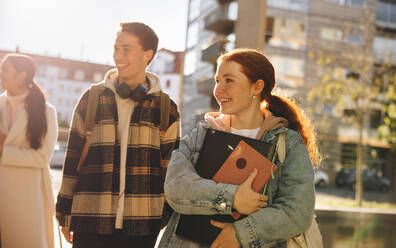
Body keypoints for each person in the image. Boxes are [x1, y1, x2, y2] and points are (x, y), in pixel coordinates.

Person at [159, 48, 321, 248]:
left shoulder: (288, 143)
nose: (218, 90)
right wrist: (232, 198)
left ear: (257, 87)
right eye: (217, 81)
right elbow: (176, 187)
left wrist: (240, 234)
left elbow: (297, 211)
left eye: (229, 80)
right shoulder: (200, 135)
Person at [56, 22, 180, 248]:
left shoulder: (165, 108)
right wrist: (64, 211)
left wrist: (161, 215)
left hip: (142, 226)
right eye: (116, 48)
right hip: (90, 218)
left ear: (147, 54)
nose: (117, 55)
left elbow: (170, 169)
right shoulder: (91, 98)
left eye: (126, 49)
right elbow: (72, 159)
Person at [0, 53, 58, 248]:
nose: (1, 74)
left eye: (5, 70)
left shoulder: (46, 111)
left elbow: (43, 157)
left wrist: (3, 152)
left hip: (27, 199)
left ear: (22, 75)